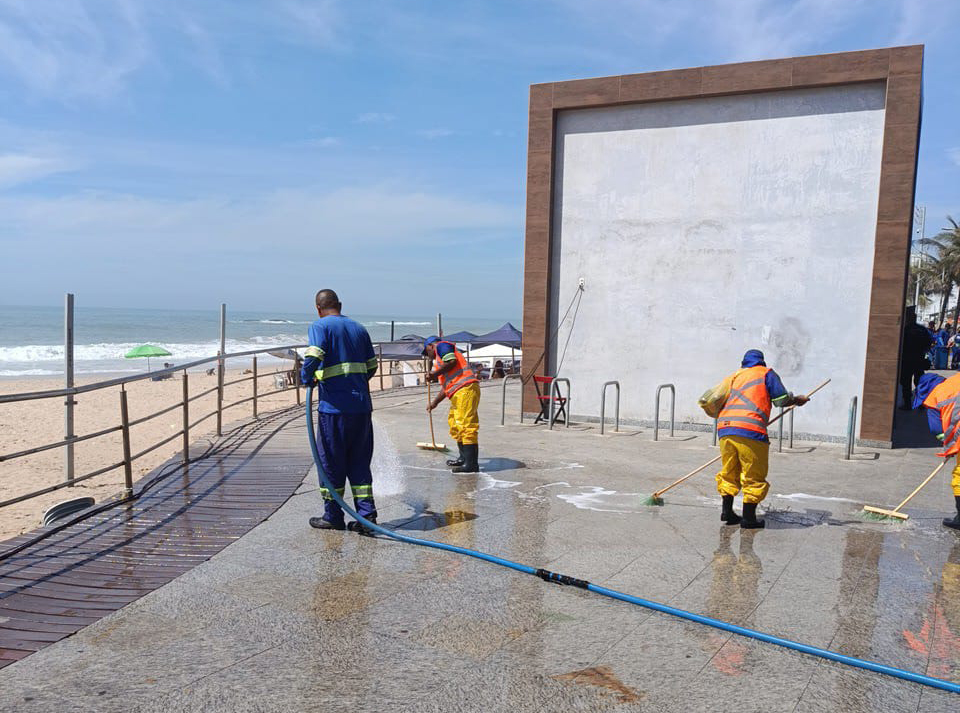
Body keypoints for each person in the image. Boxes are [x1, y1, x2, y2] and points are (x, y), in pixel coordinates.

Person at [300, 289, 379, 535]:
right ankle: (367, 516)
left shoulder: (320, 326)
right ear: (340, 305)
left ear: (318, 308)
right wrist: (354, 384)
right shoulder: (359, 329)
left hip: (334, 410)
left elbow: (314, 355)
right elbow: (372, 366)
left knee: (331, 462)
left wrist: (307, 377)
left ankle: (333, 516)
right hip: (361, 408)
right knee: (359, 461)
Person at [714, 349, 809, 529]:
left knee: (729, 471)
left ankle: (727, 511)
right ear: (761, 361)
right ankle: (749, 518)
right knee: (753, 473)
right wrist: (797, 399)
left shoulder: (735, 376)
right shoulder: (766, 373)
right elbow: (781, 400)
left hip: (725, 429)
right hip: (750, 430)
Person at [422, 335, 481, 473]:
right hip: (458, 391)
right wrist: (434, 403)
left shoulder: (442, 346)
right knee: (455, 424)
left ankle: (471, 464)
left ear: (431, 346)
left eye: (426, 352)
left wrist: (434, 374)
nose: (428, 356)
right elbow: (447, 386)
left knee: (466, 425)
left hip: (466, 389)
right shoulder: (440, 361)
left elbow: (452, 362)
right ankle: (463, 458)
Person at [917, 372, 960, 530]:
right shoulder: (956, 379)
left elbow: (937, 429)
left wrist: (951, 445)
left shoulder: (935, 397)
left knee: (959, 476)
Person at [900, 306, 933, 409]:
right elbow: (929, 343)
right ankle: (920, 403)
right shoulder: (922, 329)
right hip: (919, 359)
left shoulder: (904, 329)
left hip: (907, 360)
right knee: (919, 382)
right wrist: (923, 352)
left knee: (906, 382)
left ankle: (908, 404)